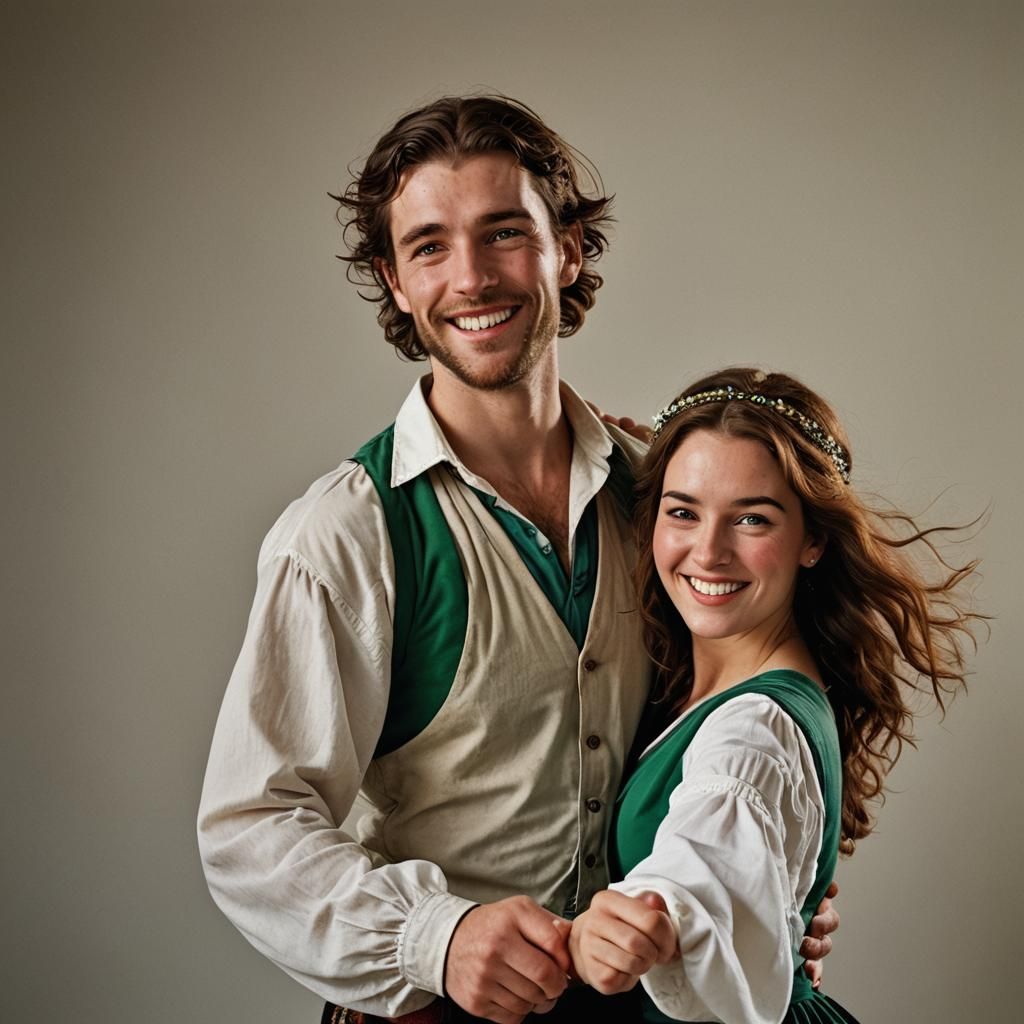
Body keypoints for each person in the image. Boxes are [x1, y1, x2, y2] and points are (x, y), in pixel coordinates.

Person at [197, 97, 837, 1024]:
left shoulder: (659, 497)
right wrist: (438, 939)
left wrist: (763, 889)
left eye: (504, 233)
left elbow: (735, 714)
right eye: (428, 247)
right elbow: (249, 827)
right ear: (395, 278)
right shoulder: (346, 532)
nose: (471, 278)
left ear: (567, 248)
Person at [567, 367, 981, 1023]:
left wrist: (619, 928)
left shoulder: (754, 730)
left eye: (751, 519)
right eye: (683, 511)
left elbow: (690, 881)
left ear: (813, 539)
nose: (708, 552)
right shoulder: (690, 677)